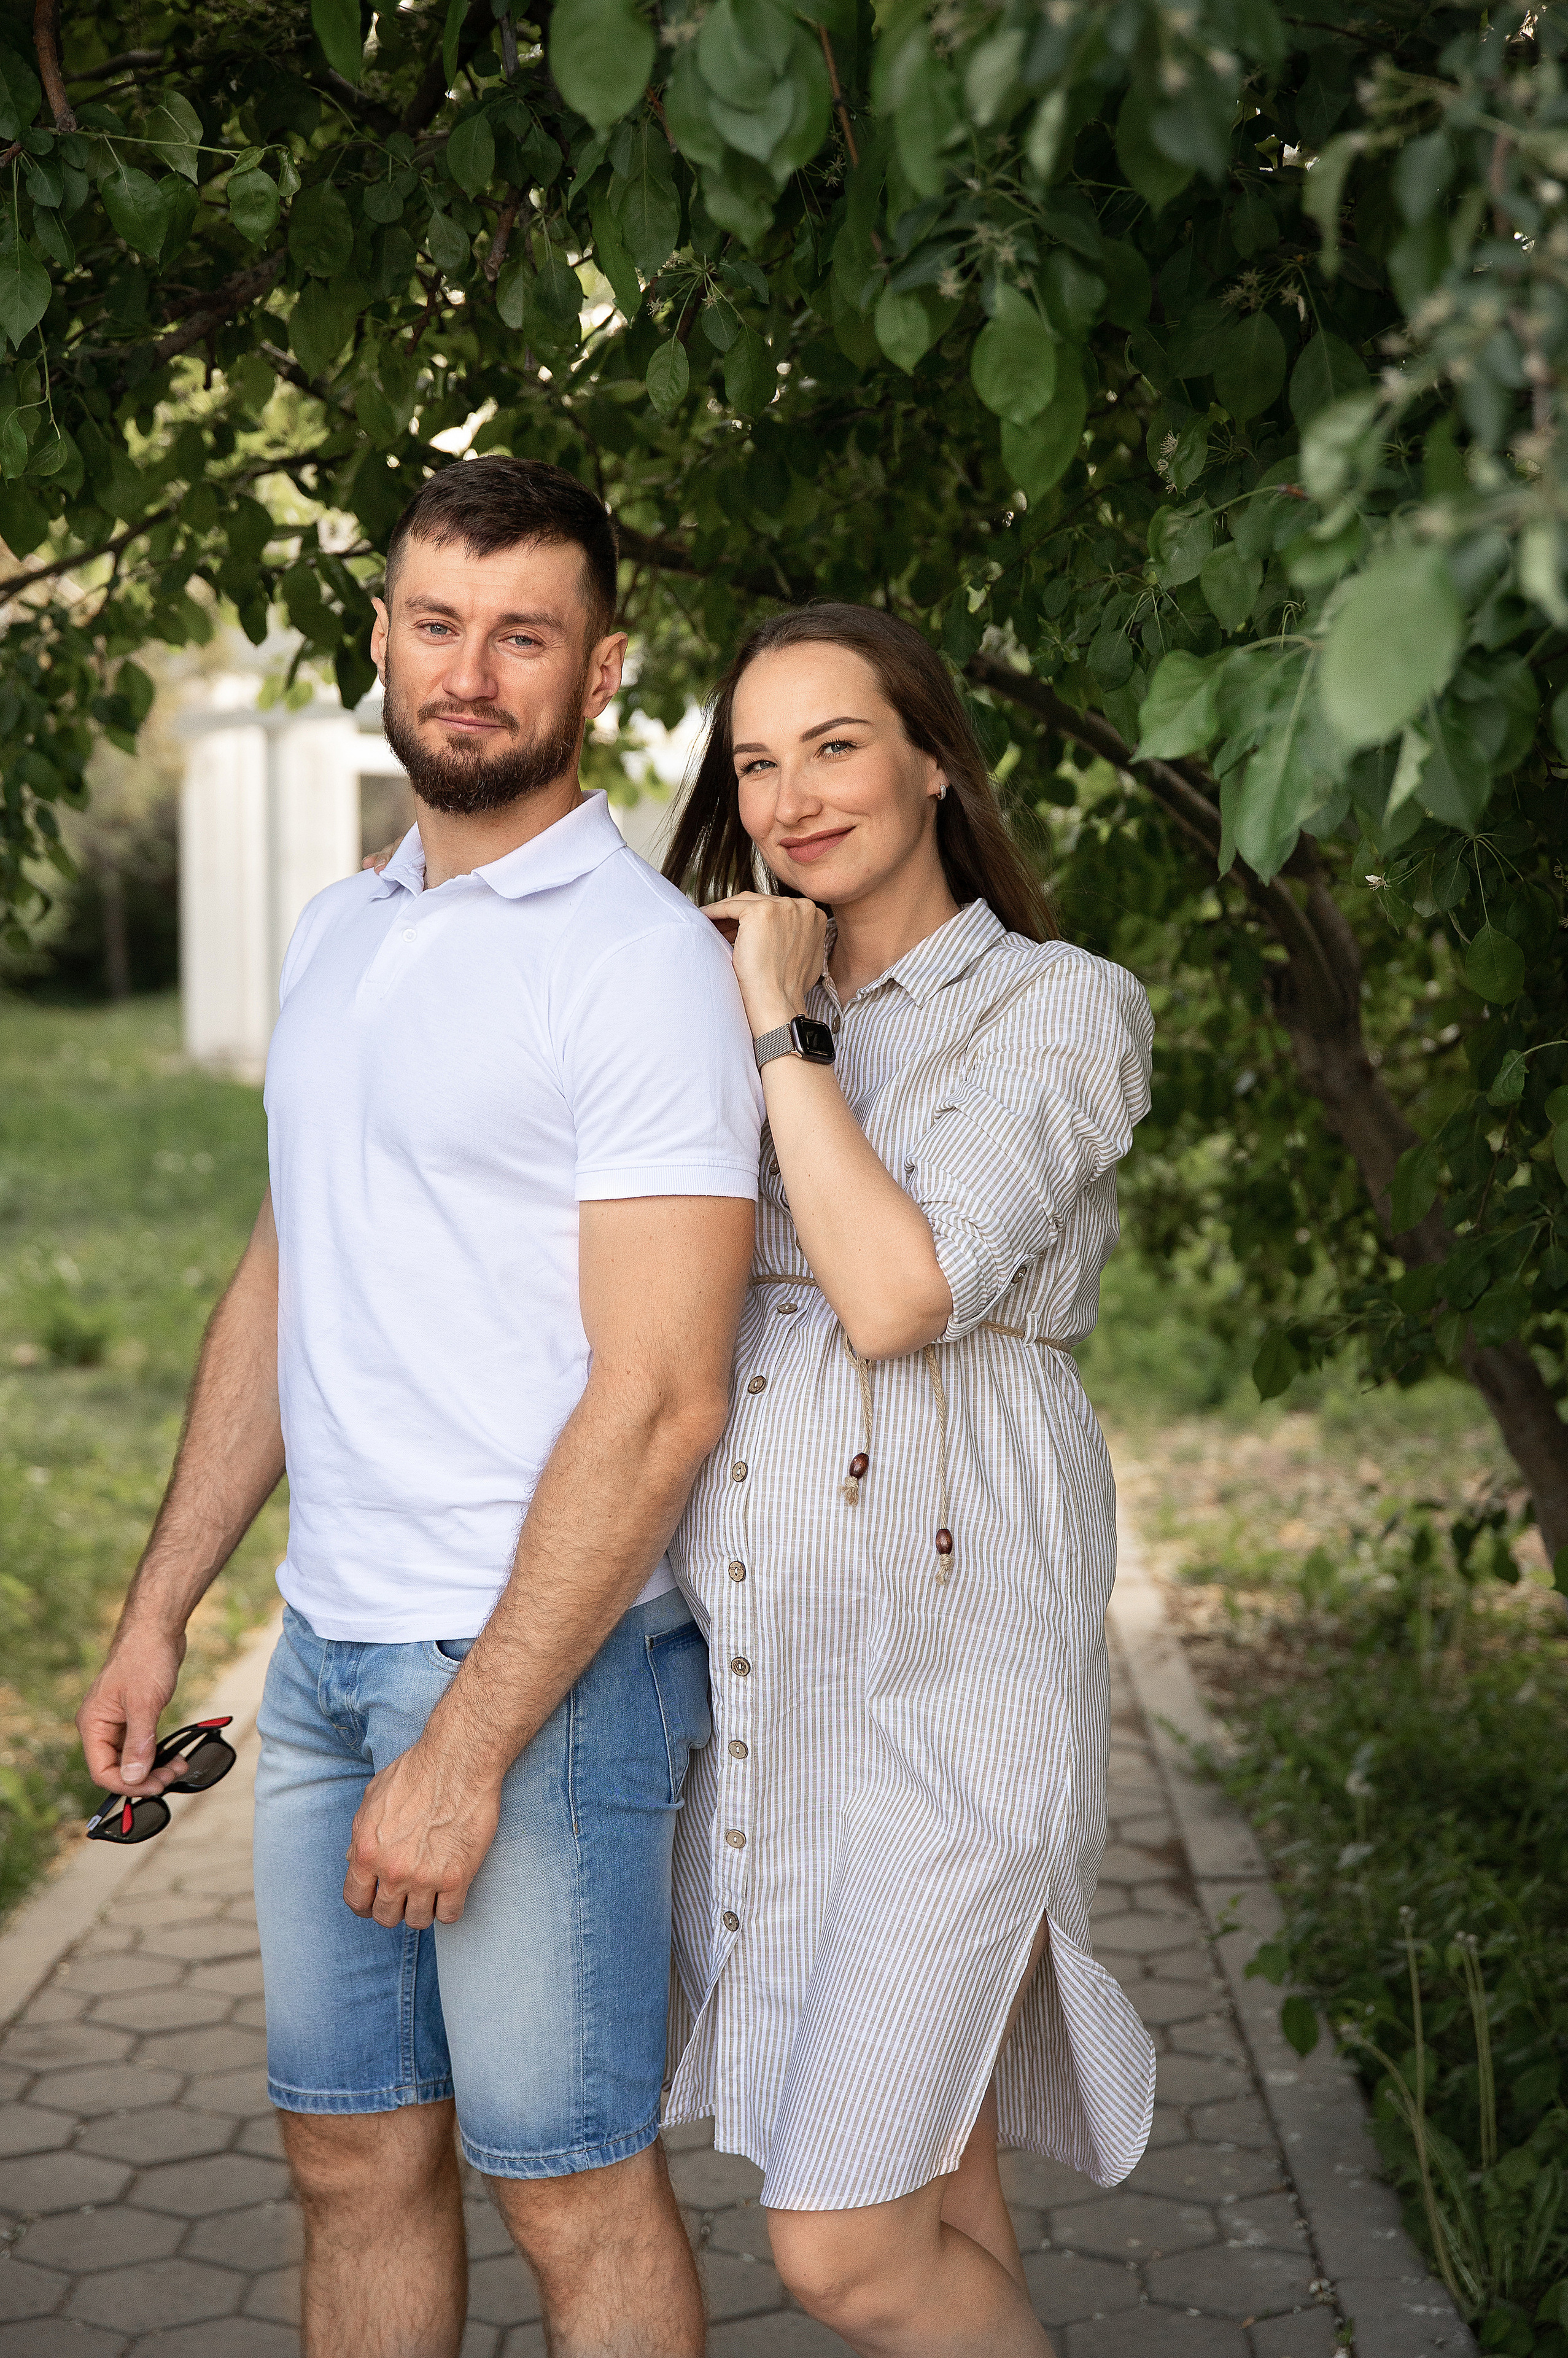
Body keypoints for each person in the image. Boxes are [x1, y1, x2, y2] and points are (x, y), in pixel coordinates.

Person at [76, 457, 764, 2358]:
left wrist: (464, 1750)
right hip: (321, 1660)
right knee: (349, 2162)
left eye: (523, 635)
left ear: (600, 672)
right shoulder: (339, 927)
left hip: (536, 1674)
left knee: (566, 2186)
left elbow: (664, 1397)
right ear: (380, 639)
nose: (470, 672)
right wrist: (161, 1609)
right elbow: (286, 1278)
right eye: (437, 625)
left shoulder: (634, 968)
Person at [658, 604, 1157, 2356]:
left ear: (936, 757)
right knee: (945, 2209)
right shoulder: (715, 1000)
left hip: (959, 1696)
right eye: (755, 761)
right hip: (778, 1703)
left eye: (837, 743)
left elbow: (895, 1295)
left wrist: (785, 1034)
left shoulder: (1057, 1006)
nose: (791, 796)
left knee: (842, 2251)